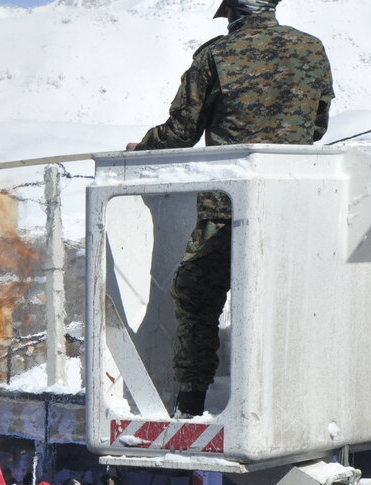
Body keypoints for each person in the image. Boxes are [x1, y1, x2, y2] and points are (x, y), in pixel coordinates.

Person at [127, 0, 334, 416]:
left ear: (234, 9)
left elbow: (181, 133)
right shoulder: (312, 48)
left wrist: (141, 149)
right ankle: (290, 399)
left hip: (226, 209)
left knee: (195, 293)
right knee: (287, 301)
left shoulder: (215, 55)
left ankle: (191, 401)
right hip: (291, 206)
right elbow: (317, 126)